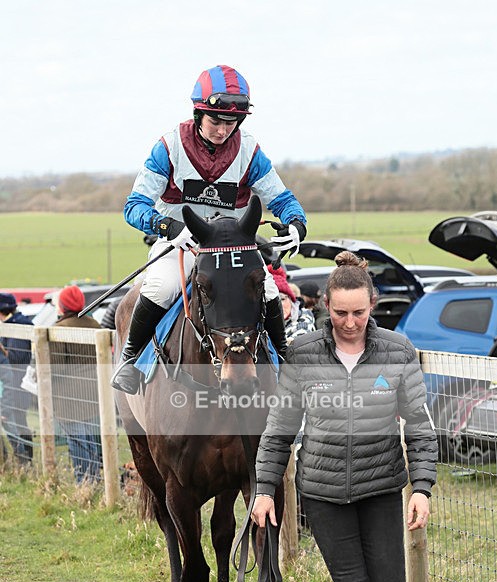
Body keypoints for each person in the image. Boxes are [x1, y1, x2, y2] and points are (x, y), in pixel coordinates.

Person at [252, 251, 438, 582]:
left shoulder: (397, 351)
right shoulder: (304, 355)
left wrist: (421, 487)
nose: (350, 323)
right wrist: (264, 489)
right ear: (325, 308)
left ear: (372, 305)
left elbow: (419, 427)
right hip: (324, 492)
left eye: (359, 313)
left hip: (381, 488)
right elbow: (278, 430)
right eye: (340, 314)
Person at [113, 64, 307, 394]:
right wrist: (168, 226)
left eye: (230, 122)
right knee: (161, 286)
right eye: (215, 120)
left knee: (270, 290)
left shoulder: (249, 151)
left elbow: (283, 198)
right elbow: (134, 207)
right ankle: (129, 361)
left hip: (234, 248)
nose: (222, 130)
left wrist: (297, 224)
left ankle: (284, 364)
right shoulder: (169, 146)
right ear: (198, 113)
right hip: (182, 243)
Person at [50, 286, 102, 484]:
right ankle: (94, 480)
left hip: (69, 399)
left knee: (78, 443)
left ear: (63, 306)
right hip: (95, 394)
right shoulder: (94, 324)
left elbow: (55, 369)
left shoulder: (59, 330)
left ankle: (84, 484)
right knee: (92, 441)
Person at [0, 293, 33, 464]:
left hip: (17, 384)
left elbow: (17, 358)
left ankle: (26, 461)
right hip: (13, 384)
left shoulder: (17, 326)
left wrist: (2, 351)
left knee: (18, 424)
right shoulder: (12, 324)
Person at [268, 265, 316, 344]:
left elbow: (299, 344)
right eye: (270, 301)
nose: (278, 305)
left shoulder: (303, 322)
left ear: (291, 300)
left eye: (282, 299)